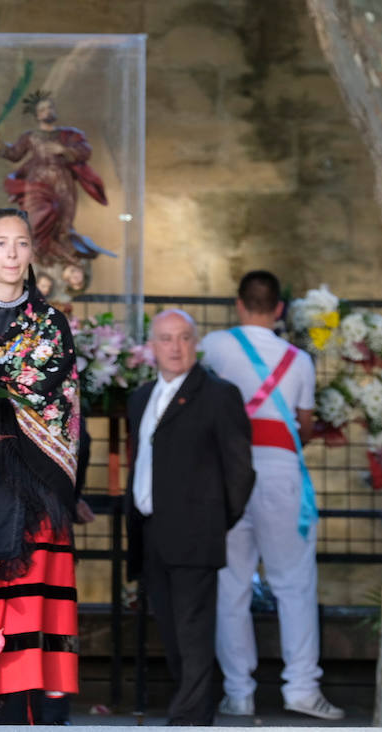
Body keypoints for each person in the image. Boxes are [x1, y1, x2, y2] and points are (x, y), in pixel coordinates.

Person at [0, 208, 82, 724]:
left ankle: (38, 715)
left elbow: (47, 397)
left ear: (31, 251)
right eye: (1, 243)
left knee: (33, 611)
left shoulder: (51, 324)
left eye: (21, 243)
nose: (11, 252)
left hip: (38, 486)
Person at [199, 271, 345, 721]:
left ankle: (238, 692)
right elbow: (305, 426)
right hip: (281, 475)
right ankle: (302, 688)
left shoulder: (214, 346)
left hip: (228, 475)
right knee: (294, 583)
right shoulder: (299, 360)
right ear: (279, 309)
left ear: (239, 305)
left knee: (232, 584)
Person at [126, 310, 254, 725]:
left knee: (194, 630)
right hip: (151, 531)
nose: (175, 347)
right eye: (166, 338)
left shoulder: (218, 395)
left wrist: (215, 520)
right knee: (171, 630)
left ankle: (190, 719)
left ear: (195, 343)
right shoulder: (141, 397)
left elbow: (241, 470)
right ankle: (193, 710)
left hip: (196, 531)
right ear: (152, 346)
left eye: (183, 337)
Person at [0, 92, 109, 266]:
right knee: (39, 218)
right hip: (37, 183)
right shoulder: (30, 136)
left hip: (62, 182)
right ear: (37, 115)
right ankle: (35, 256)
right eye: (43, 109)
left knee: (63, 223)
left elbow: (85, 151)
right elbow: (14, 154)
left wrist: (65, 150)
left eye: (50, 107)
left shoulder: (69, 134)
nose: (48, 111)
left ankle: (61, 259)